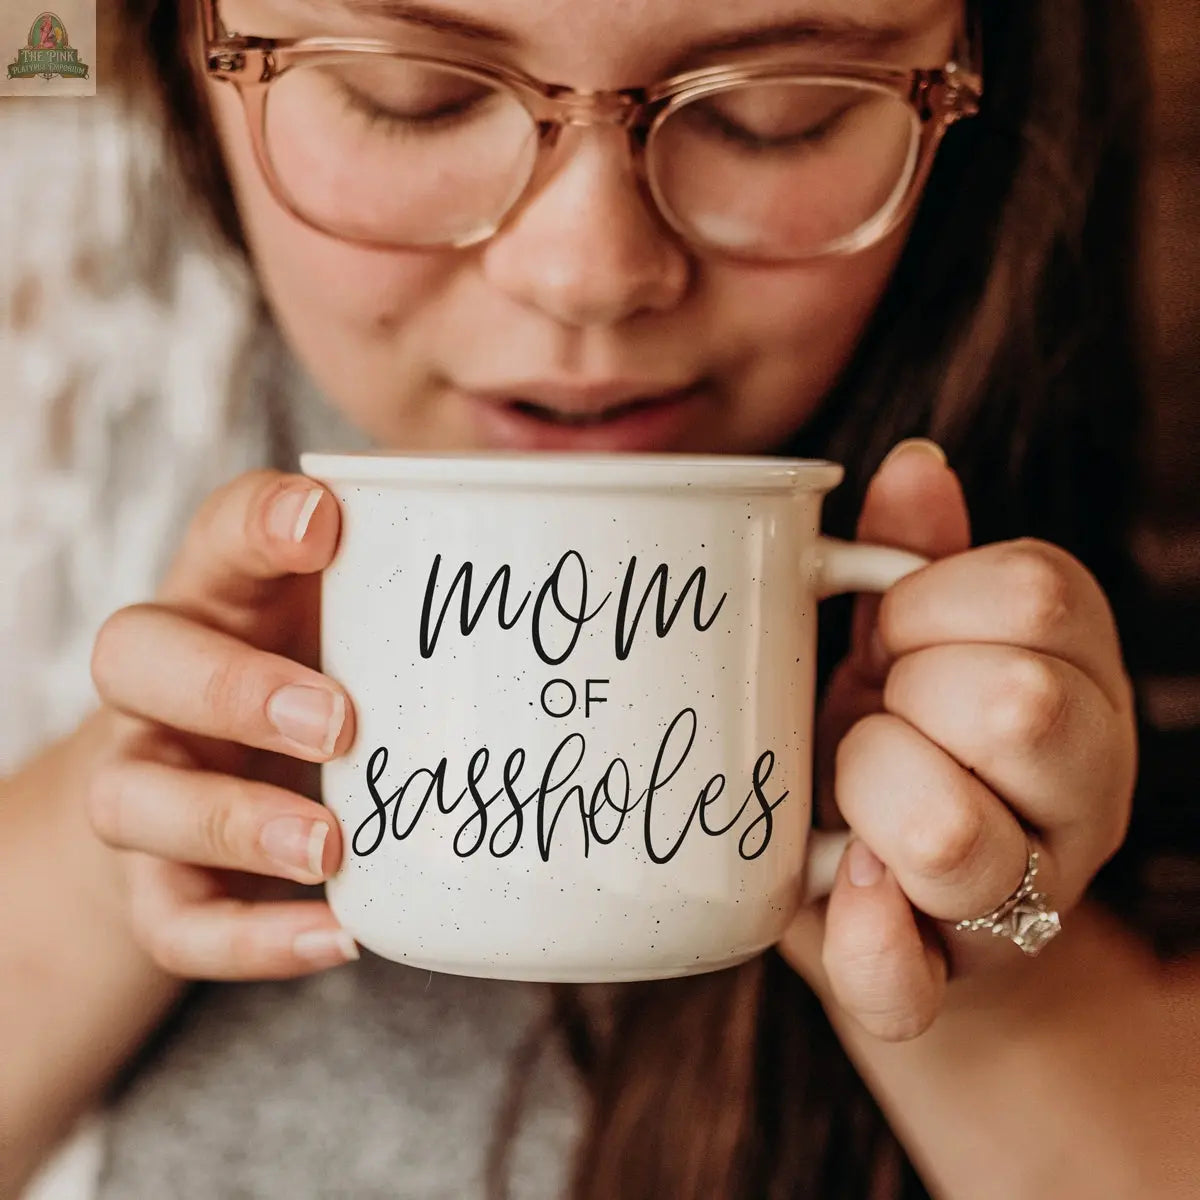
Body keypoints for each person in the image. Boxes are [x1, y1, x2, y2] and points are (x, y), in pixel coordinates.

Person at [2, 0, 1196, 1197]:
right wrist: (121, 843)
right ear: (182, 55)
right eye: (409, 94)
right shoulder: (52, 325)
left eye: (774, 114)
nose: (587, 275)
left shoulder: (1113, 481)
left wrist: (993, 938)